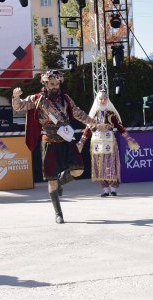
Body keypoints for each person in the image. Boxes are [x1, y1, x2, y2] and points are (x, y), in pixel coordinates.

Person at [13, 69, 94, 223]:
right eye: (52, 84)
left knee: (78, 170)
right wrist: (16, 97)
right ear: (45, 83)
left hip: (66, 139)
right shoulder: (37, 99)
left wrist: (93, 122)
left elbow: (78, 113)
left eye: (57, 83)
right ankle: (58, 214)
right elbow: (19, 106)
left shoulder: (65, 98)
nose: (56, 86)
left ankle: (61, 181)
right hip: (49, 141)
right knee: (51, 180)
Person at [76, 91, 141, 196]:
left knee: (111, 164)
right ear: (98, 100)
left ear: (108, 100)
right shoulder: (93, 115)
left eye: (105, 99)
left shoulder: (111, 114)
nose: (103, 101)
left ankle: (113, 188)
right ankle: (105, 189)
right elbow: (87, 129)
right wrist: (81, 142)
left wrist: (128, 139)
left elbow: (120, 128)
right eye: (101, 99)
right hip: (97, 143)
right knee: (100, 165)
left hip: (109, 142)